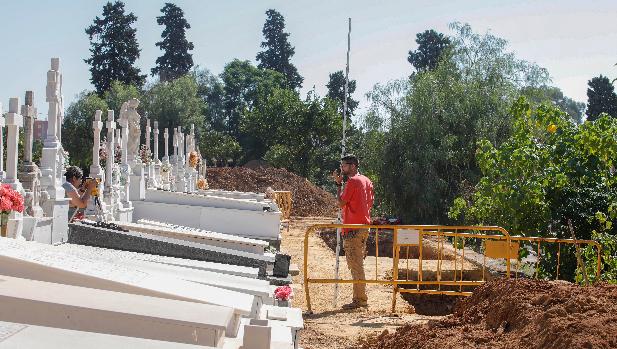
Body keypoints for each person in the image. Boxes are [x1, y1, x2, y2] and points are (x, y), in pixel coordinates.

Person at [332, 154, 374, 309]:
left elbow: (341, 203)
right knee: (358, 263)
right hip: (364, 226)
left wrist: (338, 185)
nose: (342, 168)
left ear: (353, 165)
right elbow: (370, 202)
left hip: (353, 228)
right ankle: (359, 298)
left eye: (344, 165)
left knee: (355, 265)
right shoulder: (366, 180)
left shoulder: (352, 181)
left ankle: (360, 300)